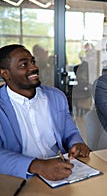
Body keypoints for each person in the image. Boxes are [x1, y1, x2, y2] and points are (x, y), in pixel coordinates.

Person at [0, 44, 90, 181]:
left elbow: (70, 133)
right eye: (24, 65)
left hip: (60, 170)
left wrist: (76, 144)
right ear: (5, 74)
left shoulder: (56, 97)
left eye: (33, 62)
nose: (34, 68)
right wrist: (37, 166)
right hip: (17, 176)